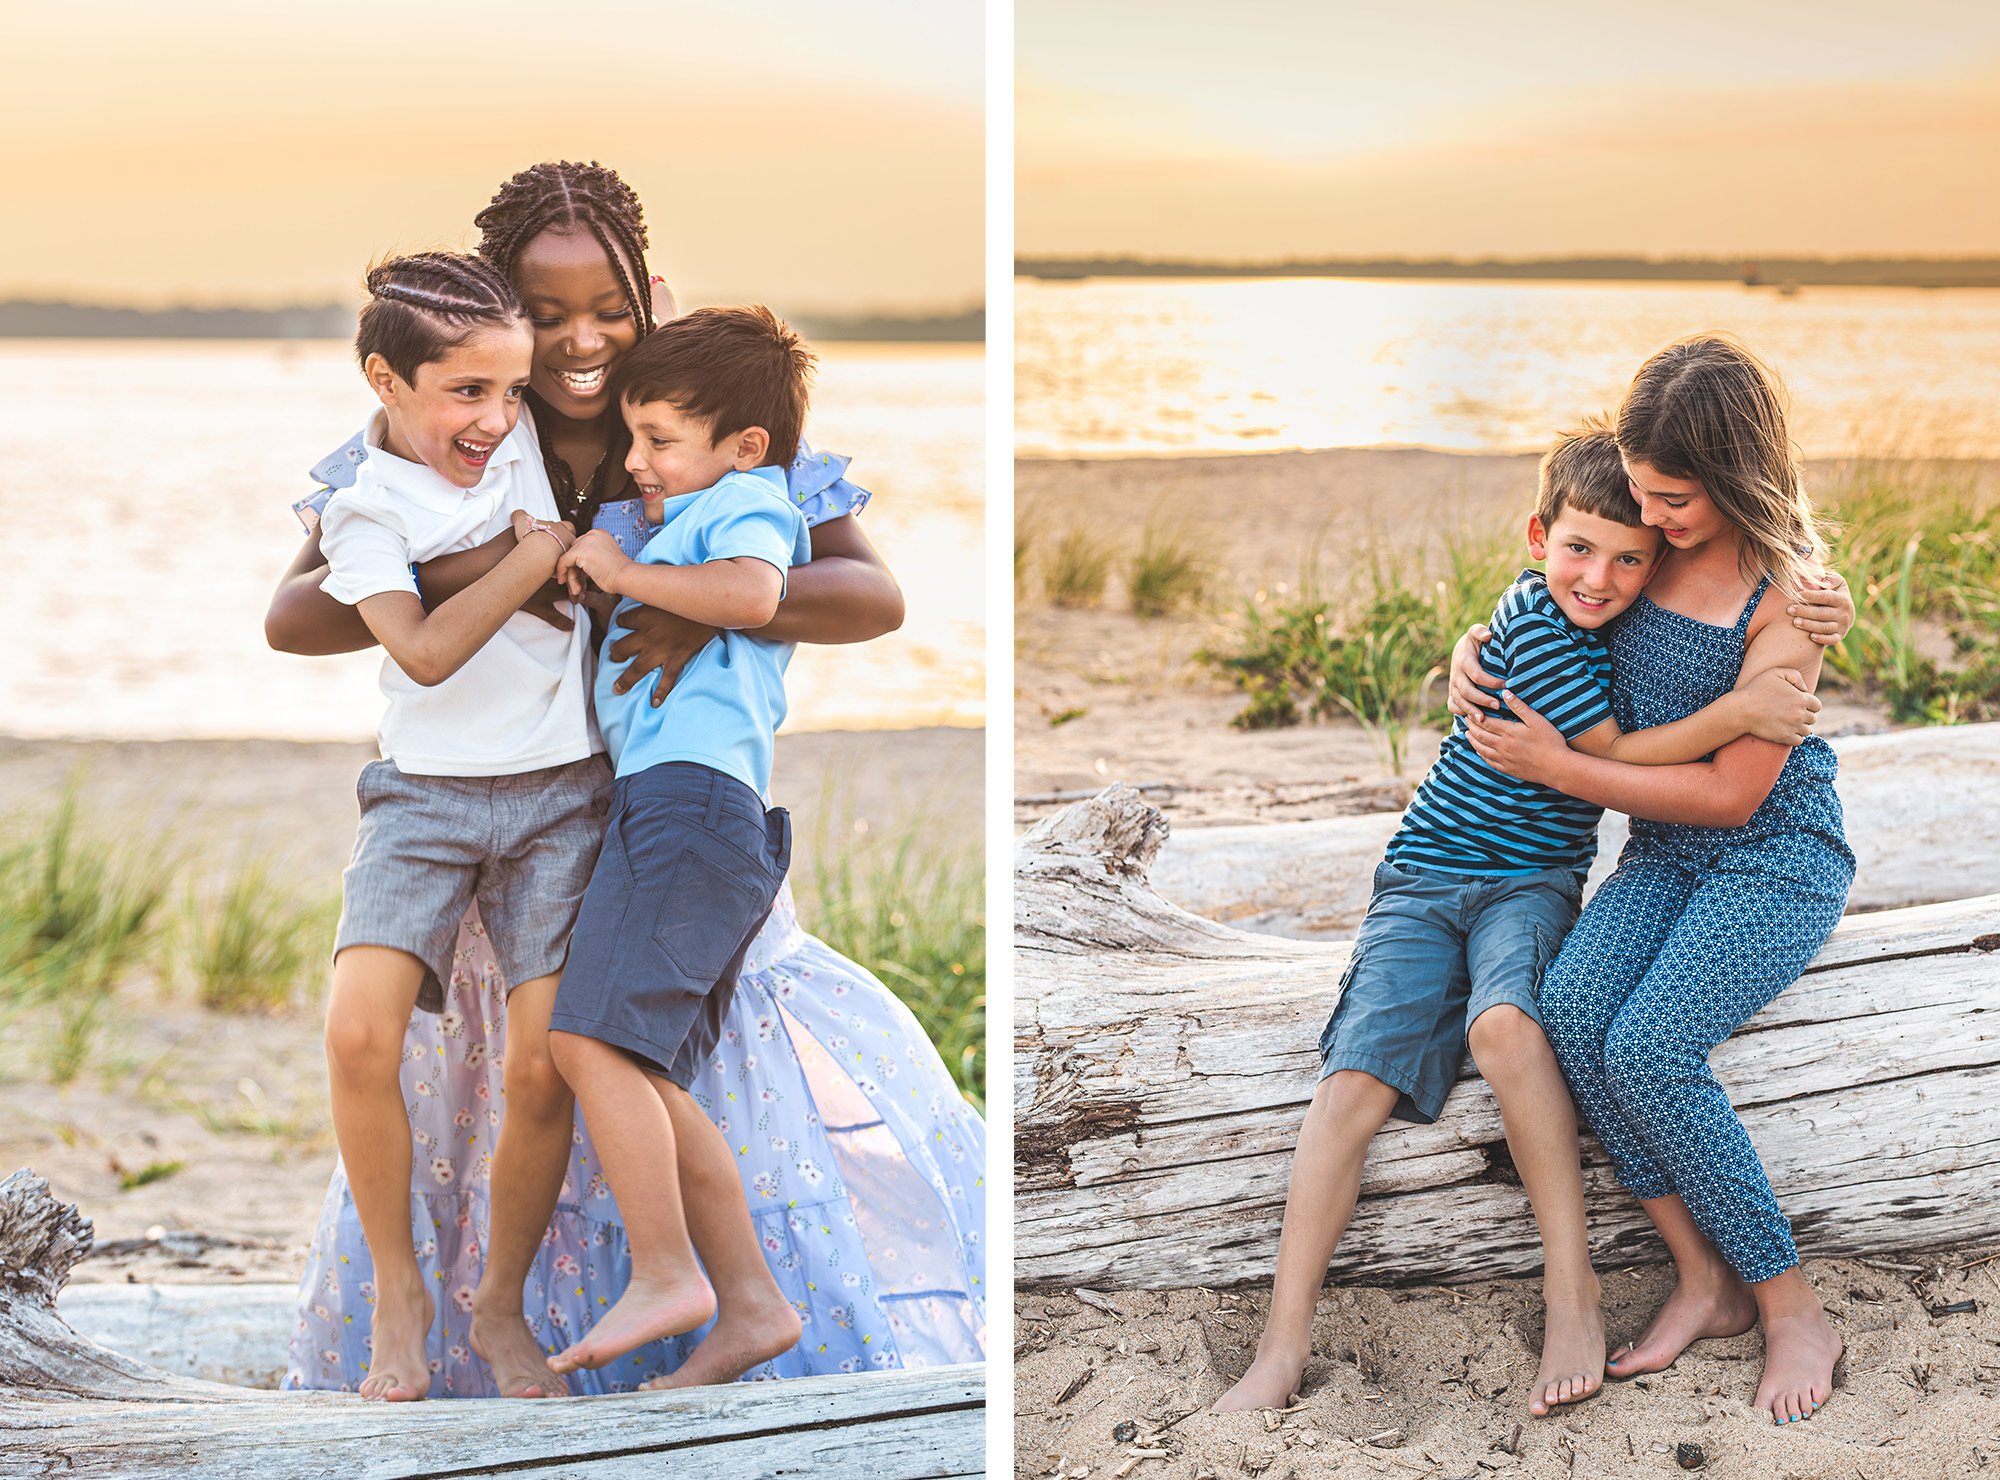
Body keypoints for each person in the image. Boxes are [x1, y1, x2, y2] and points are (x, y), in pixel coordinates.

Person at [271, 162, 985, 1399]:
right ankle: (483, 1329)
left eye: (607, 305)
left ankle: (706, 1312)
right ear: (495, 311)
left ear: (649, 293)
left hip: (658, 810)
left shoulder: (700, 415)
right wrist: (520, 566)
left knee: (638, 1061)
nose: (580, 340)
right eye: (545, 314)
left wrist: (688, 606)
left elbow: (870, 595)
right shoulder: (466, 423)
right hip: (495, 805)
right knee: (525, 1070)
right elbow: (298, 610)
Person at [1213, 423, 1821, 1419]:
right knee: (1375, 1076)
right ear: (1537, 536)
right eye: (1584, 546)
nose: (1607, 571)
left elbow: (1693, 756)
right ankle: (1281, 1349)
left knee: (1550, 1030)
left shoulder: (1689, 589)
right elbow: (1609, 736)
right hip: (1434, 869)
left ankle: (1647, 1290)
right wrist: (1737, 711)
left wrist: (1791, 639)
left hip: (1575, 874)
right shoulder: (1565, 606)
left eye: (1637, 546)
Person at [1452, 334, 1856, 1426]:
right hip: (1660, 855)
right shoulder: (1631, 549)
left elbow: (1730, 793)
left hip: (1770, 857)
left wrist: (1561, 766)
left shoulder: (1786, 600)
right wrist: (1469, 645)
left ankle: (1788, 1302)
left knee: (1647, 1044)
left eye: (1671, 498)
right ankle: (1700, 1274)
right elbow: (1551, 588)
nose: (1651, 515)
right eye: (1638, 491)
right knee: (1574, 1011)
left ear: (1729, 480)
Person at [315, 251, 609, 1402]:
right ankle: (402, 1285)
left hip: (560, 791)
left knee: (545, 1065)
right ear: (386, 381)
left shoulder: (522, 424)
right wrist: (536, 554)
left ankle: (498, 1307)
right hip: (423, 795)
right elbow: (424, 655)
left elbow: (626, 328)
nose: (494, 417)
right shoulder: (363, 507)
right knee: (356, 1035)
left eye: (508, 388)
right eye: (464, 392)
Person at [530, 305, 816, 1373]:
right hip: (681, 808)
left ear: (743, 444)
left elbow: (750, 593)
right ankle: (748, 1303)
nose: (639, 462)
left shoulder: (744, 499)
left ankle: (669, 1271)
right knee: (642, 1071)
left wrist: (623, 573)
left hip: (690, 806)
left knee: (582, 1042)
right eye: (633, 438)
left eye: (659, 441)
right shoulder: (685, 508)